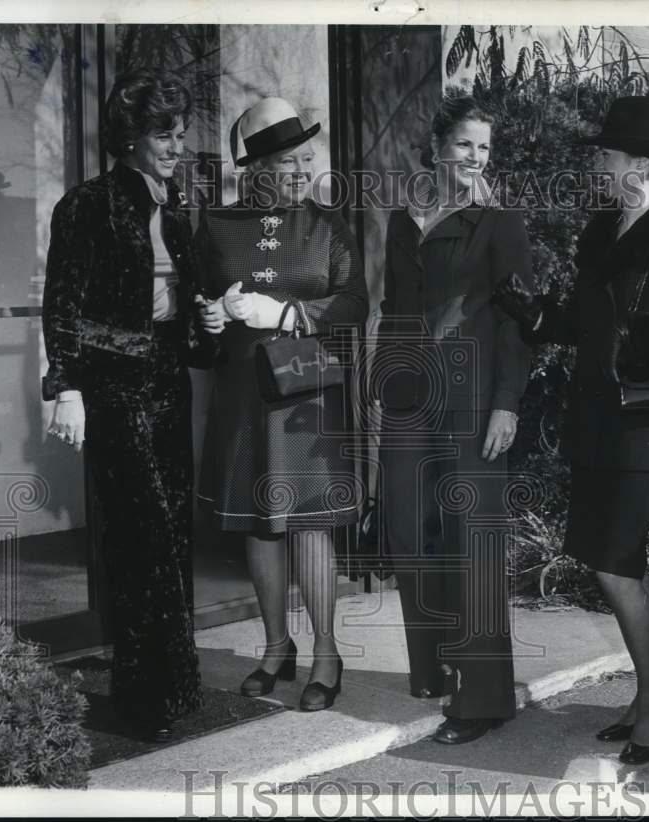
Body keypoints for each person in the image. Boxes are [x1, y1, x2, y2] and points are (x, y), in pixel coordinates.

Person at [493, 95, 649, 764]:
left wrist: (635, 335)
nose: (599, 163)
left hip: (645, 429)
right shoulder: (603, 232)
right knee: (610, 561)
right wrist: (537, 317)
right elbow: (583, 325)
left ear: (640, 165)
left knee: (615, 563)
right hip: (596, 424)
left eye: (609, 154)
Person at [42, 67, 215, 741]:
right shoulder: (86, 206)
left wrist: (207, 324)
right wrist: (69, 387)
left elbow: (183, 313)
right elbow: (65, 306)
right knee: (139, 538)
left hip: (168, 387)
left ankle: (174, 686)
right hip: (113, 393)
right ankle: (143, 699)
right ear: (131, 138)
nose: (175, 145)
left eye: (178, 133)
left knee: (172, 535)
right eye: (162, 134)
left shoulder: (174, 211)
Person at [373, 91, 535, 745]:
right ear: (439, 148)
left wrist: (507, 403)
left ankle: (484, 698)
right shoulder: (403, 218)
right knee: (411, 529)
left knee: (472, 539)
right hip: (411, 396)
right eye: (465, 144)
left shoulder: (499, 224)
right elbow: (393, 305)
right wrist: (383, 377)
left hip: (473, 400)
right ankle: (434, 665)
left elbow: (521, 324)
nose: (475, 157)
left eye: (484, 148)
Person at [196, 97, 368, 712]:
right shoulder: (217, 225)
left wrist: (291, 313)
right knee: (260, 525)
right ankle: (276, 646)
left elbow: (354, 304)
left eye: (307, 158)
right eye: (290, 161)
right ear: (256, 168)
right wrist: (211, 319)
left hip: (306, 395)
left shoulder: (327, 225)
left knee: (310, 525)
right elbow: (198, 313)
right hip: (244, 393)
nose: (302, 170)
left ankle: (326, 651)